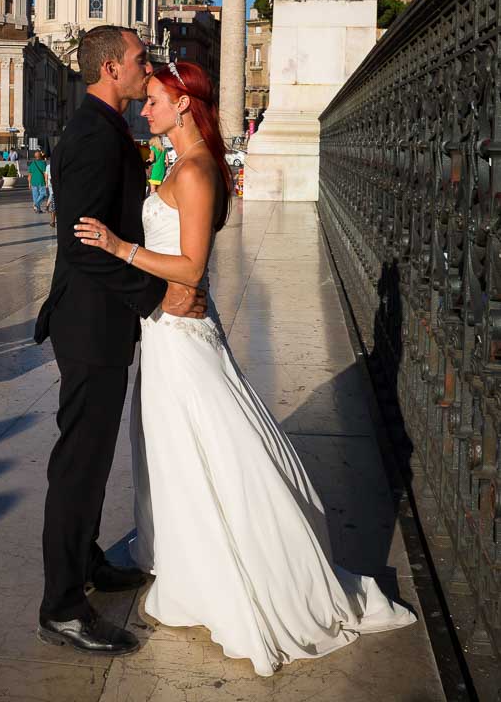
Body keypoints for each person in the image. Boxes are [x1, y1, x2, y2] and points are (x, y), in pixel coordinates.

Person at [74, 60, 417, 676]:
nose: (144, 110)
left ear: (183, 104)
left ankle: (233, 570)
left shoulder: (199, 169)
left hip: (181, 337)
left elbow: (190, 267)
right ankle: (185, 557)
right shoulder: (181, 164)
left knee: (202, 446)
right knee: (176, 450)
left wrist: (117, 247)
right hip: (166, 331)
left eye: (153, 100)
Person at [33, 26, 206, 657]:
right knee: (79, 463)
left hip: (103, 319)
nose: (147, 67)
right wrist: (156, 297)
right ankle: (61, 605)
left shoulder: (108, 132)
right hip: (89, 323)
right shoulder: (90, 138)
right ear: (111, 67)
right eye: (140, 59)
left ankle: (87, 560)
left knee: (95, 456)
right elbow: (81, 244)